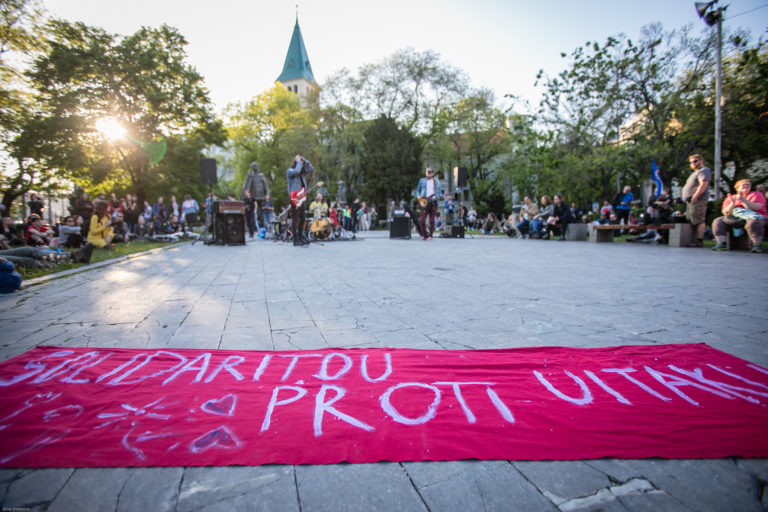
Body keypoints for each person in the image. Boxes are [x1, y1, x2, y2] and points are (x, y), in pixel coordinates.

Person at [711, 179, 767, 253]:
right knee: (718, 221)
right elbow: (726, 212)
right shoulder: (732, 197)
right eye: (743, 184)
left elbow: (756, 208)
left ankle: (757, 245)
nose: (746, 186)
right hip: (736, 218)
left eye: (748, 184)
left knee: (753, 222)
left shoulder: (756, 194)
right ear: (737, 187)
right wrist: (733, 202)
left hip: (756, 217)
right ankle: (721, 244)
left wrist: (742, 199)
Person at [682, 154, 711, 247]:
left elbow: (704, 184)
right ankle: (693, 240)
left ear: (701, 161)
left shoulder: (704, 170)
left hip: (698, 200)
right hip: (690, 201)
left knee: (699, 220)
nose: (693, 163)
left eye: (695, 161)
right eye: (691, 162)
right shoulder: (695, 172)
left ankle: (699, 241)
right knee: (692, 220)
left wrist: (695, 196)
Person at [286, 155, 313, 246]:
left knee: (302, 218)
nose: (301, 164)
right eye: (300, 162)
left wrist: (304, 160)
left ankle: (301, 237)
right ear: (296, 163)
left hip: (301, 197)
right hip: (294, 197)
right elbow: (297, 170)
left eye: (301, 163)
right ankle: (295, 239)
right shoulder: (290, 171)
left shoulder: (302, 173)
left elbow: (311, 167)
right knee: (295, 219)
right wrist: (298, 161)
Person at [416, 167, 443, 241]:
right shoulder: (421, 181)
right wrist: (419, 197)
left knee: (431, 220)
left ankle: (430, 236)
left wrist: (440, 197)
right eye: (427, 172)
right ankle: (424, 235)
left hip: (433, 202)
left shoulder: (436, 181)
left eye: (430, 172)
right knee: (422, 220)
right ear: (425, 173)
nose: (429, 174)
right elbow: (418, 190)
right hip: (424, 202)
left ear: (433, 173)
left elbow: (440, 192)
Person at [241, 162, 270, 229]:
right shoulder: (250, 176)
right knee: (252, 212)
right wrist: (247, 194)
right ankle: (253, 226)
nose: (255, 167)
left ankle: (262, 225)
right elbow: (246, 186)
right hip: (253, 197)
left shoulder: (261, 175)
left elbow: (266, 186)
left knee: (261, 211)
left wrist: (267, 194)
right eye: (254, 166)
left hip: (261, 196)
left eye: (256, 166)